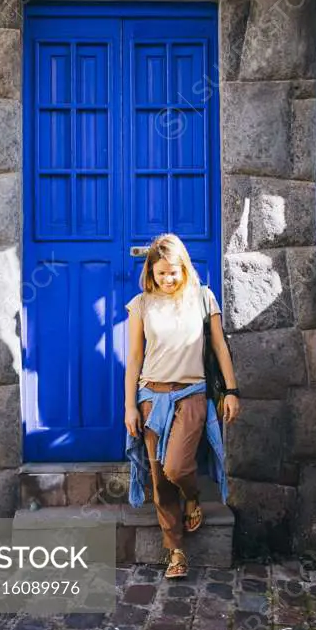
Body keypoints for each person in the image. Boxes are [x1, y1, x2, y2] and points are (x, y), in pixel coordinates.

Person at [124, 233, 240, 579]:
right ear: (151, 273)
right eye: (161, 274)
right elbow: (134, 358)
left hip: (191, 394)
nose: (168, 279)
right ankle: (175, 551)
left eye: (173, 272)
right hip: (151, 397)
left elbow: (219, 347)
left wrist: (231, 390)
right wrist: (130, 406)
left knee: (176, 467)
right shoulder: (141, 304)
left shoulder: (204, 298)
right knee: (159, 479)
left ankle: (192, 496)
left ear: (184, 267)